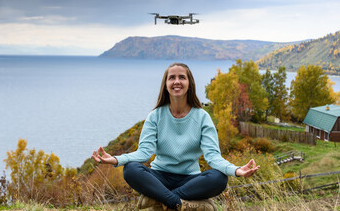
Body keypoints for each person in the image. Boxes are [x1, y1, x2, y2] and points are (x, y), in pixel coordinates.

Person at [92, 63, 259, 211]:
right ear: (166, 85)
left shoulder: (202, 117)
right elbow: (143, 153)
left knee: (219, 178)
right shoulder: (155, 116)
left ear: (189, 84)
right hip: (160, 177)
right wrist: (115, 159)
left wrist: (236, 170)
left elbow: (213, 157)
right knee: (131, 169)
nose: (177, 81)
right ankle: (181, 204)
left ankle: (159, 199)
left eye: (182, 77)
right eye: (172, 77)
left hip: (190, 180)